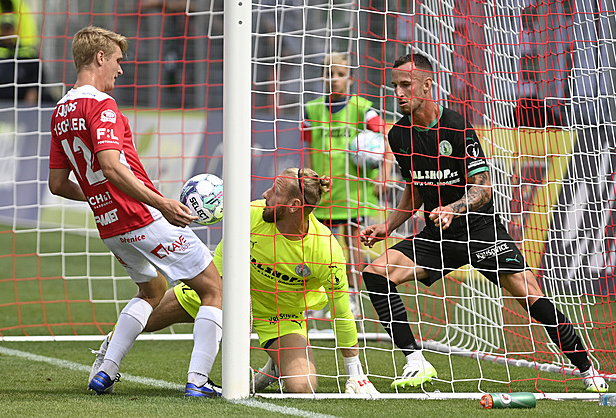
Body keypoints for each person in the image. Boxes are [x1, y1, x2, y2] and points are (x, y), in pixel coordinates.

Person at [359, 53, 609, 393]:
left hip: (479, 229)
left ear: (427, 86)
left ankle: (587, 368)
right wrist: (386, 227)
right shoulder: (398, 135)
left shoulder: (457, 126)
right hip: (439, 234)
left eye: (406, 85)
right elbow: (415, 191)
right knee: (376, 273)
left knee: (529, 295)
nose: (399, 93)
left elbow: (484, 188)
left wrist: (453, 207)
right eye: (395, 87)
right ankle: (415, 360)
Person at [48, 26, 223, 398]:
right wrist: (162, 203)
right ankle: (198, 380)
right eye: (117, 60)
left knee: (152, 289)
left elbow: (58, 185)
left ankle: (105, 371)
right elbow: (111, 166)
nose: (120, 70)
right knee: (214, 289)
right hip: (144, 217)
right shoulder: (101, 105)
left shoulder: (60, 111)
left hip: (110, 226)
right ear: (99, 58)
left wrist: (100, 201)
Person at [98, 167, 377, 394]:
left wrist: (355, 372)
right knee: (144, 320)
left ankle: (276, 366)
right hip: (224, 292)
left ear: (294, 206)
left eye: (275, 192)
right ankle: (105, 356)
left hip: (280, 314)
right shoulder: (251, 214)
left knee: (302, 386)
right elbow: (215, 276)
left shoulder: (325, 249)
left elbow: (342, 313)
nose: (265, 194)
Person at [302, 52, 388, 318]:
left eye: (340, 75)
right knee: (318, 249)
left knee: (351, 248)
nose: (334, 79)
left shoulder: (363, 108)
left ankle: (350, 297)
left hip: (354, 193)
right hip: (322, 193)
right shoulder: (312, 109)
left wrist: (382, 174)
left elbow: (385, 136)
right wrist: (308, 179)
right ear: (322, 78)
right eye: (329, 74)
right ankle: (318, 299)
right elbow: (308, 147)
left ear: (350, 79)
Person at [0, 0, 55, 104]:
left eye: (10, 28)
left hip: (20, 102)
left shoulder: (26, 52)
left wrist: (32, 94)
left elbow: (38, 77)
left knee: (48, 99)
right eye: (5, 28)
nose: (7, 32)